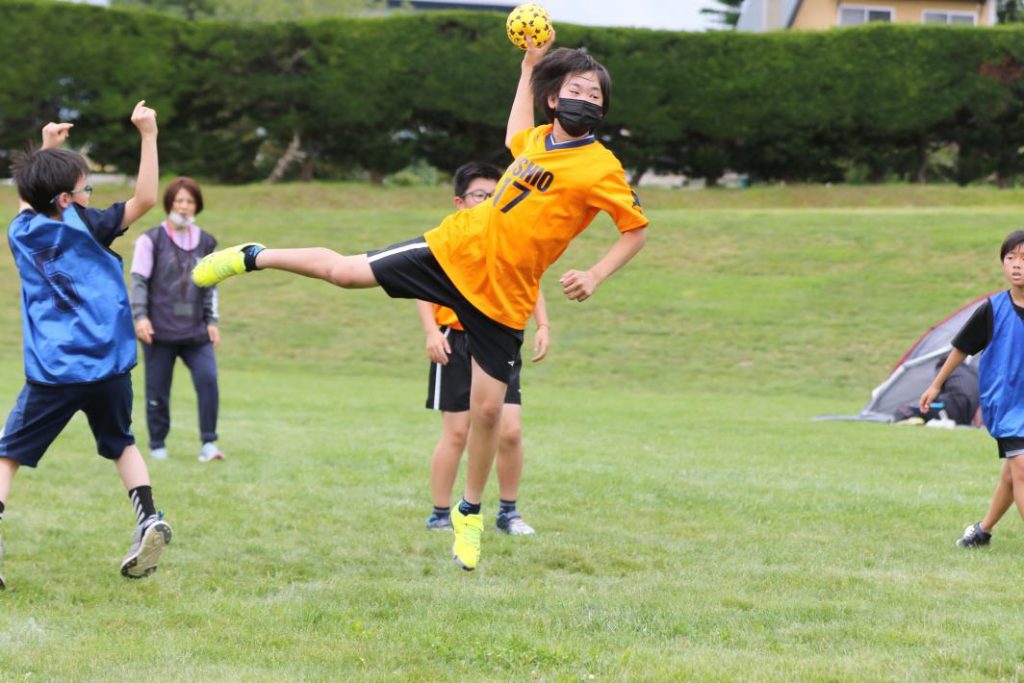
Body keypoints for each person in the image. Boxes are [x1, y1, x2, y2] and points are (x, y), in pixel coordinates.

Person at [193, 35, 648, 571]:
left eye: (595, 96)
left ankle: (470, 514)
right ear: (555, 99)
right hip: (454, 251)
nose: (586, 101)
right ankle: (255, 255)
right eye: (576, 90)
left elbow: (635, 230)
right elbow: (513, 133)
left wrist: (595, 273)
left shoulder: (602, 167)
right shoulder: (538, 142)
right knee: (344, 272)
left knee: (486, 413)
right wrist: (528, 66)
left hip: (506, 294)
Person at [0, 102, 172, 590]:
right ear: (64, 199)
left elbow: (27, 202)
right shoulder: (90, 226)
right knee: (122, 443)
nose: (88, 195)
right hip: (109, 366)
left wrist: (47, 148)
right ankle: (146, 516)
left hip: (53, 371)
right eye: (84, 189)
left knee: (8, 454)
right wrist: (148, 135)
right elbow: (145, 198)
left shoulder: (21, 233)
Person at [419, 162, 550, 535]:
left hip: (498, 339)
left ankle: (508, 512)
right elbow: (418, 285)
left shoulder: (510, 236)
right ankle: (441, 514)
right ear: (460, 202)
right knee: (457, 432)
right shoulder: (450, 236)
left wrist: (543, 323)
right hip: (454, 340)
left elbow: (531, 279)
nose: (489, 201)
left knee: (509, 430)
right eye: (480, 195)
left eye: (495, 195)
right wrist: (431, 332)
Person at [920, 230, 1024, 549]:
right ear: (1002, 264)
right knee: (1022, 467)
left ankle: (982, 531)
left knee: (1013, 470)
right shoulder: (992, 309)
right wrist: (936, 384)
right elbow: (960, 349)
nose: (1017, 265)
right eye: (1011, 258)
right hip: (1006, 404)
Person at [130, 177, 224, 463]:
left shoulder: (207, 242)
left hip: (196, 330)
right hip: (159, 330)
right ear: (169, 204)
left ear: (197, 206)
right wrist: (140, 316)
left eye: (190, 201)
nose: (184, 207)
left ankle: (209, 443)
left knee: (208, 380)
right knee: (157, 390)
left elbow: (212, 285)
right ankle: (157, 445)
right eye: (179, 201)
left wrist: (212, 321)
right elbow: (138, 281)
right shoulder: (150, 240)